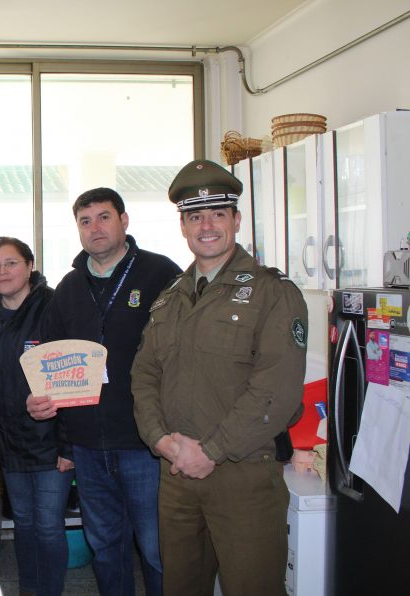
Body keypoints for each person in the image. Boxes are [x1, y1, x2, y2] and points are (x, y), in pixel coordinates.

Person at [131, 159, 308, 596]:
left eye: (217, 214)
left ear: (236, 220)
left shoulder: (273, 292)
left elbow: (275, 391)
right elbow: (144, 375)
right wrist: (160, 439)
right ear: (183, 227)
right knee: (181, 588)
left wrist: (210, 450)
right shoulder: (170, 298)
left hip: (241, 473)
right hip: (176, 473)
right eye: (195, 216)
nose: (206, 225)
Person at [27, 188, 181, 596]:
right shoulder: (70, 286)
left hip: (147, 442)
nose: (95, 228)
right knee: (105, 547)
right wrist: (56, 427)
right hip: (88, 446)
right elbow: (50, 358)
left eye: (104, 217)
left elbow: (185, 354)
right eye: (85, 220)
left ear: (124, 221)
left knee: (156, 548)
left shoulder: (160, 273)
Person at [0, 237, 73, 596]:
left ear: (30, 266)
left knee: (48, 525)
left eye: (11, 263)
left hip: (52, 440)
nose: (3, 271)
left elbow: (76, 375)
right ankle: (30, 590)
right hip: (10, 439)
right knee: (25, 524)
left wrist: (69, 445)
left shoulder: (55, 307)